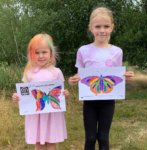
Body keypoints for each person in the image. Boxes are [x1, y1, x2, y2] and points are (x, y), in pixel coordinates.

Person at [68, 7, 134, 150]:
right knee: (90, 138)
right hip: (89, 101)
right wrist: (72, 80)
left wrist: (126, 76)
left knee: (103, 138)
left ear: (112, 27)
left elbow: (117, 76)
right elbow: (79, 75)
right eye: (98, 26)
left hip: (108, 101)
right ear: (91, 28)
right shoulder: (83, 50)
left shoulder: (117, 51)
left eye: (106, 26)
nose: (102, 30)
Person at [12, 34, 69, 150]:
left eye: (44, 52)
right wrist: (18, 97)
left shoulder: (56, 72)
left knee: (51, 142)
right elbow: (25, 93)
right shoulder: (29, 72)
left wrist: (65, 94)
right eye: (37, 53)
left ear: (51, 53)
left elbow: (60, 92)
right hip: (35, 113)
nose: (41, 56)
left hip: (52, 114)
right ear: (31, 54)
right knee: (38, 143)